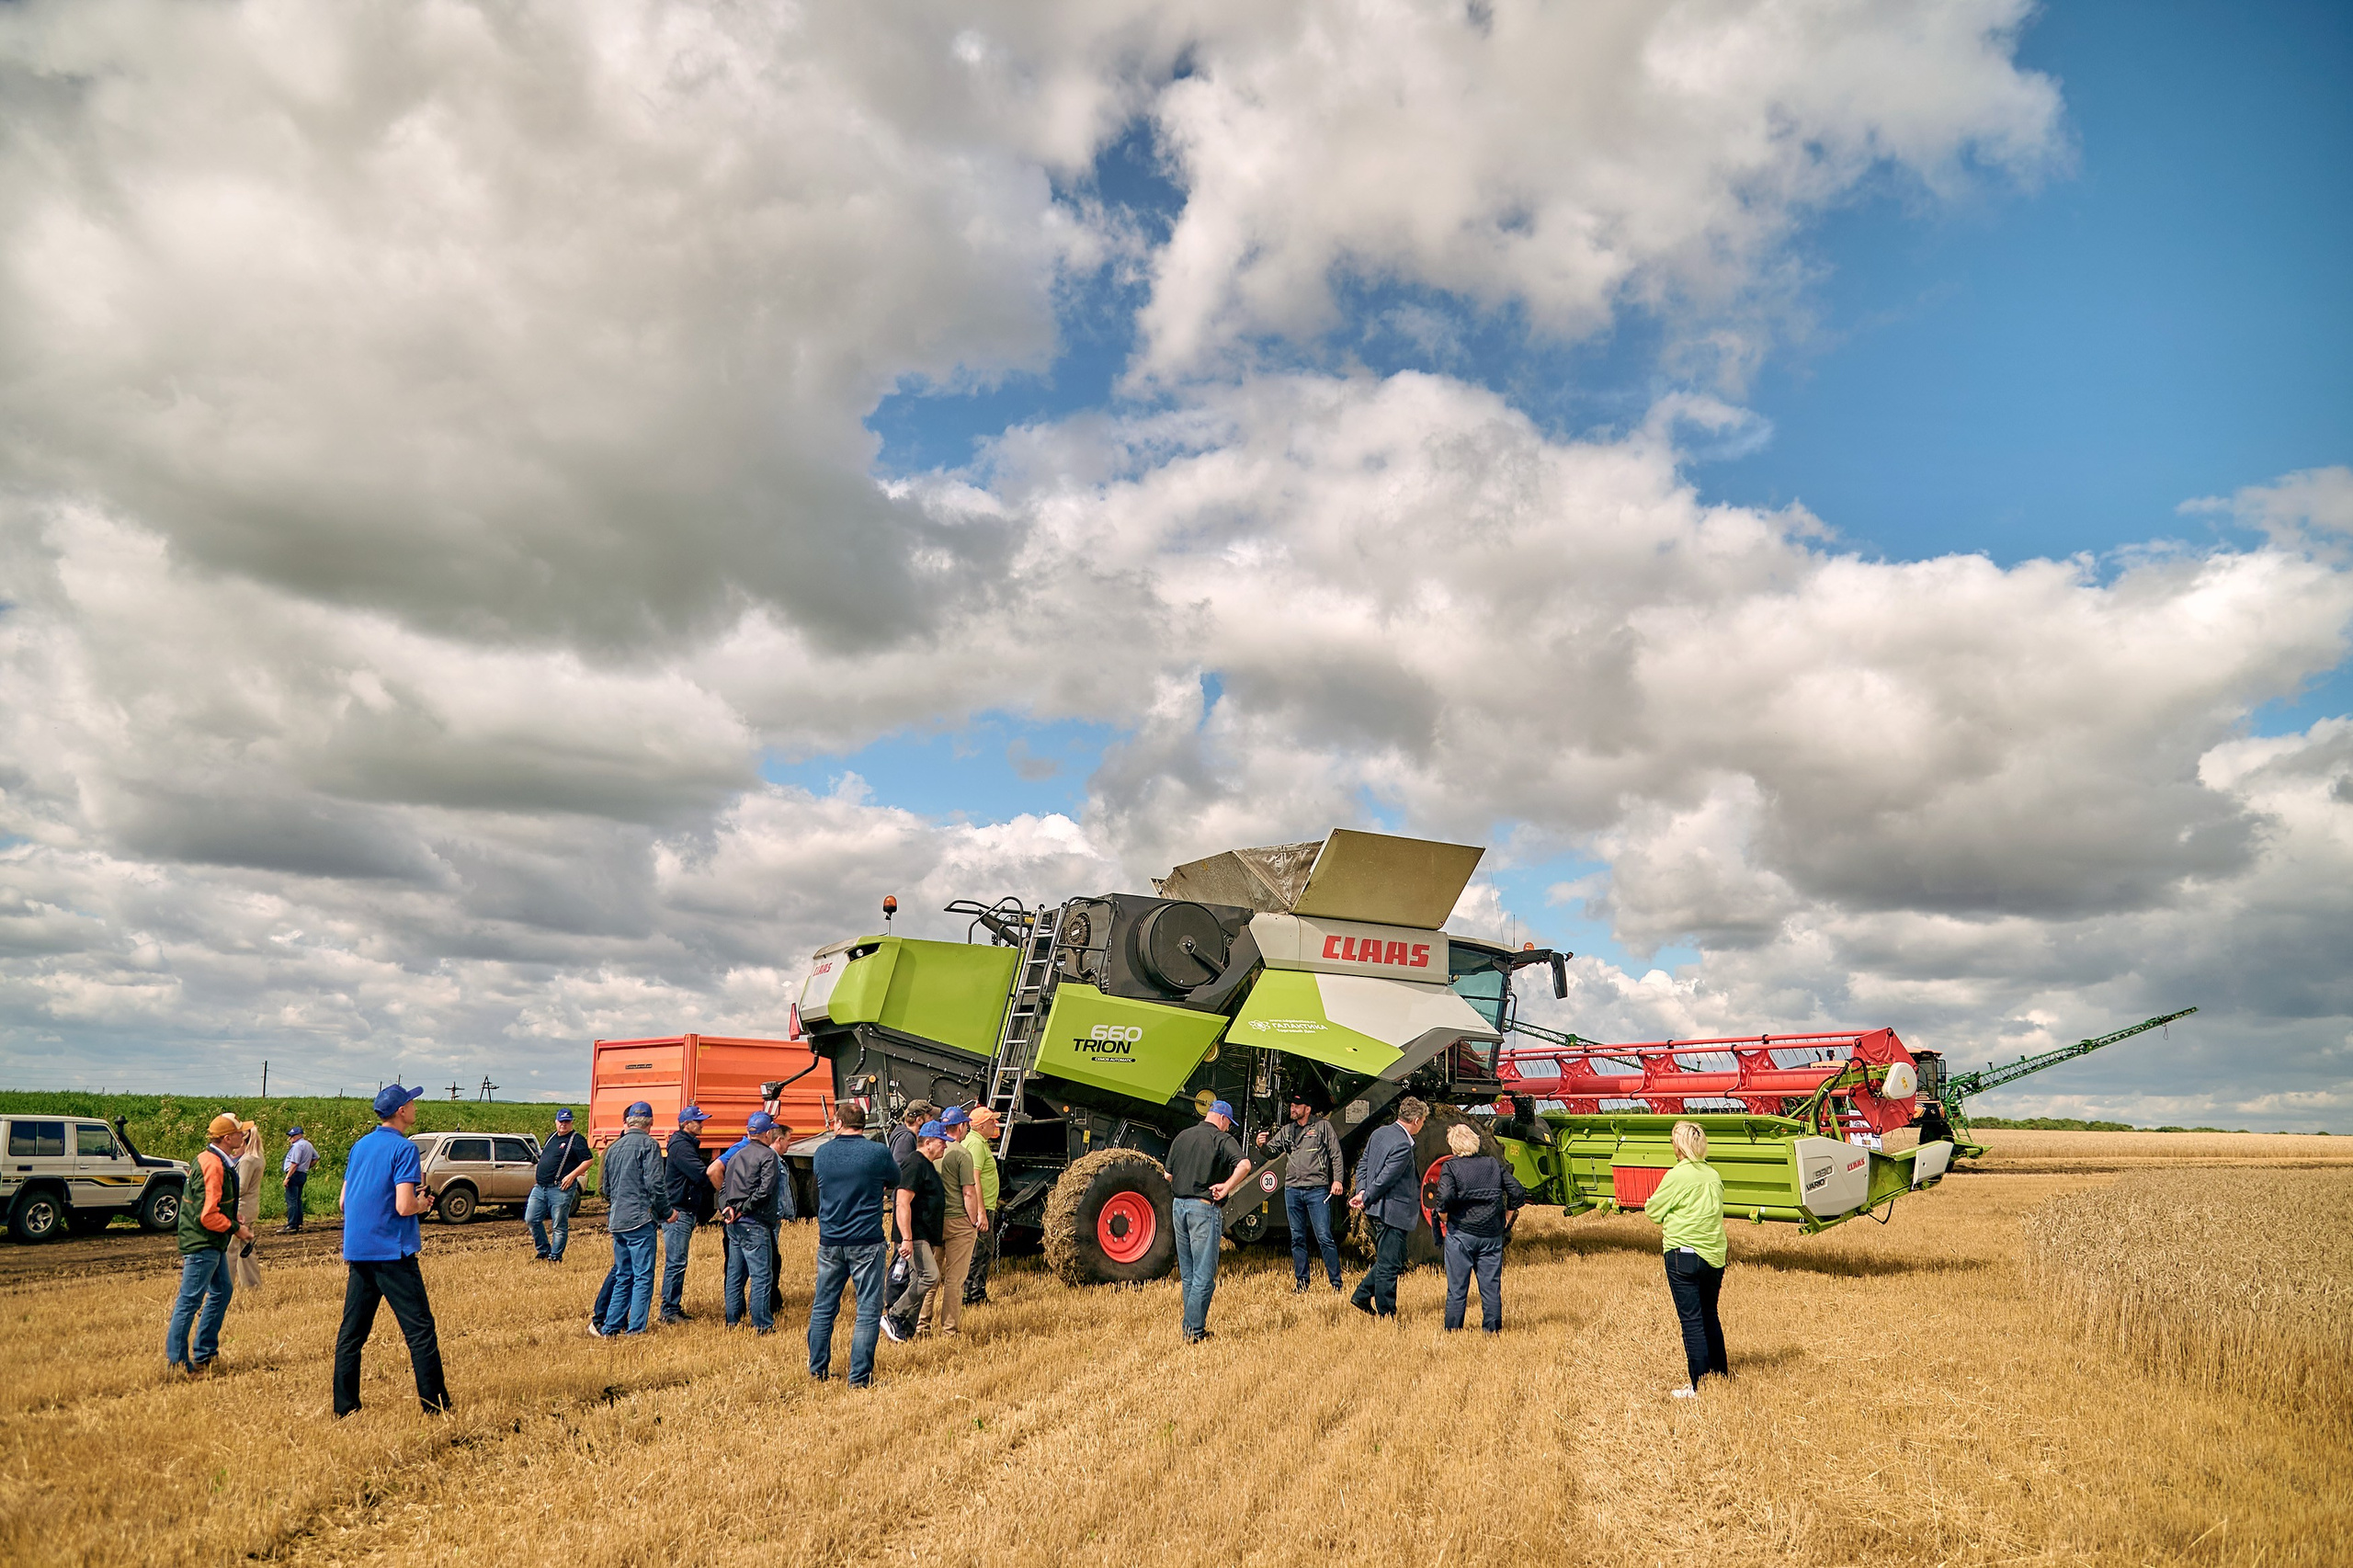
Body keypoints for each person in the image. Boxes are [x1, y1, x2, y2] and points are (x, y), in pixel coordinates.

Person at [335, 1085, 449, 1415]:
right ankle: (436, 1407)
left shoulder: (359, 1147)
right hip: (393, 1252)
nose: (415, 1107)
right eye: (412, 1102)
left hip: (359, 1250)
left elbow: (344, 1201)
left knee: (352, 1335)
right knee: (420, 1332)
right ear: (401, 1111)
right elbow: (403, 1205)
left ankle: (345, 1407)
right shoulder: (404, 1149)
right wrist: (422, 1203)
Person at [808, 1100, 899, 1387]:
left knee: (824, 1306)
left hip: (831, 1239)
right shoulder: (877, 1152)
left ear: (837, 1123)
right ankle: (859, 1378)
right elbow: (894, 1180)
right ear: (865, 1124)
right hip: (866, 1239)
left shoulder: (822, 1153)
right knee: (868, 1310)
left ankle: (817, 1370)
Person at [1644, 1119, 1730, 1398]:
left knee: (1691, 1321)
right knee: (1709, 1315)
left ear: (1678, 1147)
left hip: (1683, 1256)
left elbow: (1653, 1211)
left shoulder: (1677, 1176)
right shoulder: (1713, 1175)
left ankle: (1699, 1385)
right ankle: (1720, 1375)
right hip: (1715, 1256)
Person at [165, 1114, 251, 1376]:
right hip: (203, 1242)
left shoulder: (209, 1159)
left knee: (222, 1291)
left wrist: (231, 1213)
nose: (243, 1136)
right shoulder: (214, 1165)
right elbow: (208, 1215)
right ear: (228, 1138)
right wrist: (239, 1230)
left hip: (208, 1241)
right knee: (189, 1302)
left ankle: (206, 1353)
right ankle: (179, 1364)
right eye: (239, 1132)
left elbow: (212, 1205)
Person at [1165, 1100, 1252, 1344]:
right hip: (1203, 1210)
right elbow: (1244, 1165)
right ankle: (1193, 1331)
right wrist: (1226, 1187)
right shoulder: (1221, 1139)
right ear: (1223, 1119)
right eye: (1228, 1124)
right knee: (1204, 1275)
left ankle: (1193, 1326)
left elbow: (1168, 1174)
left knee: (1189, 1274)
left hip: (1179, 1206)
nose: (1227, 1129)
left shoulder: (1183, 1136)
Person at [1432, 1120, 1530, 1333]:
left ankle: (1453, 1332)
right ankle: (1492, 1331)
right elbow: (1517, 1190)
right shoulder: (1492, 1164)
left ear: (1454, 1146)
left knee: (1457, 1290)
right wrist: (1508, 1215)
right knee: (1490, 1288)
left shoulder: (1451, 1167)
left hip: (1461, 1235)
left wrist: (1443, 1216)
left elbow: (1445, 1196)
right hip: (1491, 1234)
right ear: (1475, 1142)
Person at [594, 1100, 674, 1337]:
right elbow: (655, 1185)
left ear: (628, 1121)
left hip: (617, 1220)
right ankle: (636, 1329)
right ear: (651, 1123)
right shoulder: (649, 1145)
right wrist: (666, 1212)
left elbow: (606, 1188)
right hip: (640, 1220)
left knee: (622, 1275)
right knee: (642, 1277)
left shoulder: (614, 1148)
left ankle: (610, 1327)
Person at [1256, 1088, 1347, 1294]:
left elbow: (1336, 1155)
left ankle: (1336, 1284)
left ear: (1307, 1109)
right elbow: (1272, 1152)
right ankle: (1302, 1283)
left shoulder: (1323, 1127)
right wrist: (1261, 1146)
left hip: (1317, 1191)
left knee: (1324, 1237)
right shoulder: (1288, 1131)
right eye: (1291, 1106)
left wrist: (1338, 1181)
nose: (1292, 1109)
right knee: (1297, 1238)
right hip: (1293, 1191)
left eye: (1296, 1106)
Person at [1349, 1097, 1427, 1319]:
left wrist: (1362, 1191)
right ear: (1416, 1120)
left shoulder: (1380, 1133)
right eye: (1422, 1122)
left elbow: (1363, 1164)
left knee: (1392, 1259)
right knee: (1389, 1266)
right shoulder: (1402, 1145)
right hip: (1392, 1212)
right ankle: (1386, 1313)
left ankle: (1362, 1294)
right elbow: (1386, 1179)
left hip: (1376, 1210)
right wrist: (1366, 1196)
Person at [880, 1120, 949, 1343]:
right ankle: (894, 1316)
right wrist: (906, 1238)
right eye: (941, 1142)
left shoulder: (926, 1164)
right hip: (914, 1235)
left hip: (923, 1236)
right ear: (927, 1142)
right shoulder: (915, 1164)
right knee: (930, 1276)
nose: (945, 1146)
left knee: (919, 1278)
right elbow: (902, 1202)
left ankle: (905, 1329)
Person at [919, 1107, 985, 1336]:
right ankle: (949, 1330)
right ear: (961, 1127)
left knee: (930, 1276)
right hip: (958, 1222)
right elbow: (969, 1192)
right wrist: (973, 1221)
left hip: (934, 1222)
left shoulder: (931, 1154)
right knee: (954, 1280)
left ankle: (921, 1325)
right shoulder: (961, 1153)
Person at [716, 1112, 783, 1333]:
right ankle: (762, 1324)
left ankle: (733, 1321)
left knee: (735, 1276)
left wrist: (727, 1208)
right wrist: (744, 1209)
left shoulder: (737, 1154)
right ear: (766, 1133)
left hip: (734, 1224)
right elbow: (765, 1190)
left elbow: (724, 1187)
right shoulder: (768, 1156)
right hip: (755, 1222)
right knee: (762, 1275)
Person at [661, 1106, 714, 1324]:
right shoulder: (682, 1147)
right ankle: (668, 1310)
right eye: (698, 1121)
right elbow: (700, 1175)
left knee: (678, 1261)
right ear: (686, 1124)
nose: (702, 1124)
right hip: (679, 1211)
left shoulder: (685, 1144)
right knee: (676, 1262)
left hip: (684, 1209)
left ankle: (672, 1307)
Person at [528, 1109, 592, 1262]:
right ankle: (543, 1250)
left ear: (571, 1123)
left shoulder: (576, 1139)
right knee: (531, 1218)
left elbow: (588, 1160)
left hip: (560, 1188)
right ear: (556, 1121)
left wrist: (571, 1176)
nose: (563, 1124)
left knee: (558, 1224)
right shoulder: (551, 1137)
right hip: (540, 1187)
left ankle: (555, 1257)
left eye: (567, 1121)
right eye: (561, 1121)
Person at [960, 1106, 1002, 1306]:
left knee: (982, 1249)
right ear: (981, 1125)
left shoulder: (975, 1142)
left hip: (981, 1206)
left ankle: (974, 1293)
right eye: (992, 1121)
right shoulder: (976, 1145)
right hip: (980, 1208)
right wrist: (981, 1213)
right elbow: (974, 1178)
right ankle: (972, 1295)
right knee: (981, 1250)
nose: (995, 1124)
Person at [230, 1120, 265, 1295]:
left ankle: (225, 1284)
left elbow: (241, 1187)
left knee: (230, 1248)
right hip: (251, 1207)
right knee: (246, 1248)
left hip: (242, 1209)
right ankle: (252, 1285)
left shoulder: (248, 1160)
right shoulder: (257, 1157)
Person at [279, 1124, 318, 1234]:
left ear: (299, 1135)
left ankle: (292, 1224)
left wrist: (288, 1177)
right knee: (298, 1200)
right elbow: (316, 1158)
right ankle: (299, 1223)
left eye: (292, 1136)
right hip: (302, 1174)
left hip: (294, 1174)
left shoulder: (297, 1146)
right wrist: (307, 1166)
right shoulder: (308, 1145)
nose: (290, 1138)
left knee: (291, 1200)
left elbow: (294, 1163)